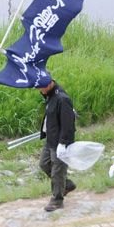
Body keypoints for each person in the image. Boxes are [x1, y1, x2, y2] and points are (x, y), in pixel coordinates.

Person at [37, 76, 77, 212]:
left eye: (41, 88)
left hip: (60, 142)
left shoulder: (62, 99)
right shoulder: (50, 95)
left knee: (57, 171)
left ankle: (57, 200)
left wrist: (63, 143)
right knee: (44, 164)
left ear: (49, 84)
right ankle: (66, 185)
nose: (40, 91)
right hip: (50, 139)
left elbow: (68, 124)